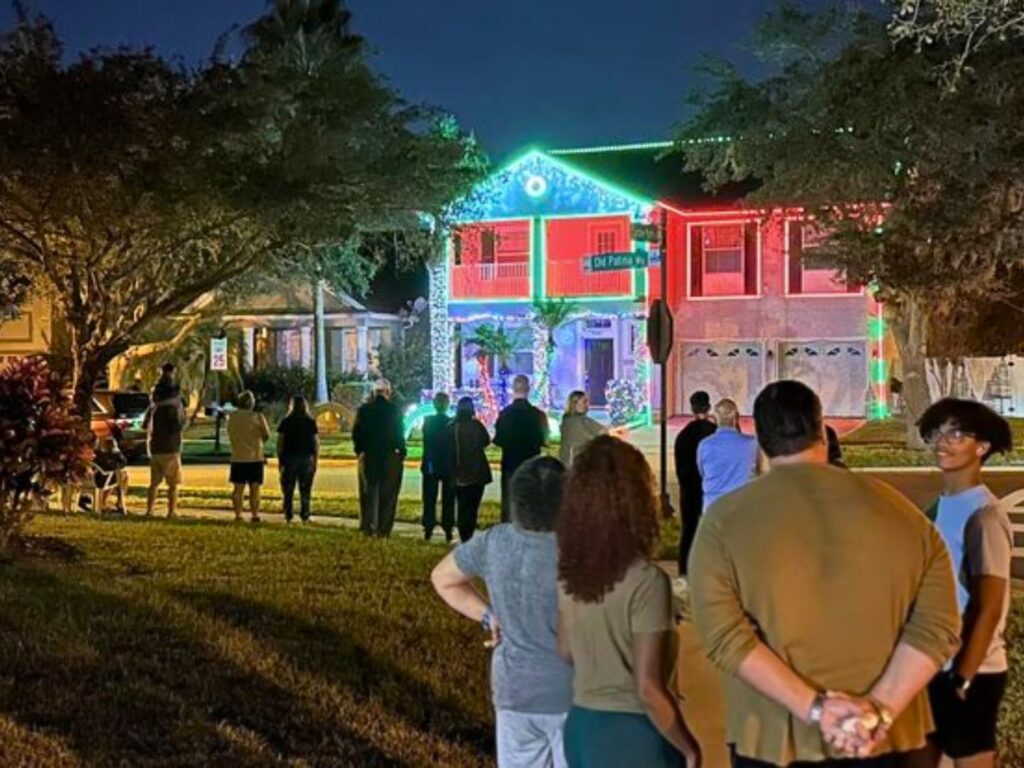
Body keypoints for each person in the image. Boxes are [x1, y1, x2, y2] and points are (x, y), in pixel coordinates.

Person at [689, 380, 961, 768]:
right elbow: (938, 627)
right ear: (822, 431)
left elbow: (725, 637)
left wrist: (819, 709)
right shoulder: (903, 514)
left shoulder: (721, 524)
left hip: (775, 739)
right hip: (893, 737)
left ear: (761, 442)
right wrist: (880, 710)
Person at [556, 435, 702, 768]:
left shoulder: (570, 573)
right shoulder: (646, 581)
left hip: (581, 725)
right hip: (633, 733)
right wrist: (689, 747)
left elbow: (565, 651)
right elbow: (648, 688)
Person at [432, 456, 572, 768]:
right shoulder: (581, 549)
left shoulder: (494, 542)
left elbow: (443, 579)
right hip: (573, 693)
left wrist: (488, 615)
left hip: (514, 692)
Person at [905, 399, 1013, 768]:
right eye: (937, 432)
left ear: (982, 447)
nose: (943, 441)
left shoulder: (984, 515)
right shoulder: (942, 504)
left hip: (971, 671)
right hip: (928, 662)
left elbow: (990, 606)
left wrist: (962, 678)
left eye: (956, 434)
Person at [352, 378, 406, 537]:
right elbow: (399, 432)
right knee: (388, 494)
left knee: (368, 492)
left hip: (369, 455)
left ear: (373, 393)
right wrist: (401, 451)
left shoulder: (364, 410)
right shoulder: (394, 410)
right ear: (388, 392)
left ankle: (368, 526)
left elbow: (356, 433)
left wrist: (360, 450)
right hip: (389, 455)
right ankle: (384, 529)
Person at [673, 390, 717, 576]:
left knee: (689, 531)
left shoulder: (683, 436)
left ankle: (684, 570)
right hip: (711, 488)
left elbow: (680, 466)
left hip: (690, 488)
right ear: (708, 407)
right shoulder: (714, 433)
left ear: (692, 407)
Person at [494, 375, 548, 522]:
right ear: (528, 389)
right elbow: (545, 440)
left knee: (509, 501)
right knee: (530, 499)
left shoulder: (505, 414)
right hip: (531, 463)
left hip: (510, 463)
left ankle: (508, 529)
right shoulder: (538, 415)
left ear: (512, 390)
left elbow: (498, 440)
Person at [696, 398, 758, 511]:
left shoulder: (705, 445)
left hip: (712, 508)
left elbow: (702, 473)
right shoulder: (751, 444)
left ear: (715, 419)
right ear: (736, 418)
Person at [448, 396, 493, 542]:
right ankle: (469, 533)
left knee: (462, 506)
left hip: (459, 472)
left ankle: (464, 534)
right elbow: (486, 441)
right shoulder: (477, 425)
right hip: (478, 473)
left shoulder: (452, 427)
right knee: (473, 507)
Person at [144, 375, 185, 518]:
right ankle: (171, 511)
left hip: (155, 448)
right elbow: (176, 427)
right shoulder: (171, 410)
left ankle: (149, 510)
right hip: (170, 448)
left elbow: (145, 425)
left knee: (154, 483)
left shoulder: (154, 408)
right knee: (173, 484)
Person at [227, 390, 270, 523]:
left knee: (238, 489)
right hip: (255, 458)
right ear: (251, 403)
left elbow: (230, 433)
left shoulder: (232, 417)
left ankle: (238, 515)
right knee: (255, 488)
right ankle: (255, 514)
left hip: (238, 457)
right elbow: (266, 435)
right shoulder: (258, 417)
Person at [276, 395, 319, 524]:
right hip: (306, 458)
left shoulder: (286, 421)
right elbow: (315, 442)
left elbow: (280, 442)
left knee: (288, 489)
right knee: (305, 488)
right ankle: (305, 514)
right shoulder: (310, 422)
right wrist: (315, 459)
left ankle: (288, 514)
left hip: (289, 458)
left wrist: (280, 459)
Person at [421, 392, 455, 542]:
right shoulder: (451, 423)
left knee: (429, 498)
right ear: (447, 405)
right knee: (448, 499)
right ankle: (448, 528)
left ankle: (428, 528)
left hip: (431, 463)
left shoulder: (428, 422)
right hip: (448, 464)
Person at [559, 390, 607, 467]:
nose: (588, 404)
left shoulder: (578, 419)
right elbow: (590, 438)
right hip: (575, 464)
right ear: (574, 403)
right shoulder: (573, 421)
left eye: (587, 401)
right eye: (584, 402)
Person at [93, 435, 129, 515]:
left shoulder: (110, 453)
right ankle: (111, 503)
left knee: (121, 475)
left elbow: (123, 462)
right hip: (99, 478)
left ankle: (116, 502)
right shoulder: (98, 454)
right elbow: (107, 466)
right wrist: (115, 463)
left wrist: (117, 453)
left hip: (106, 477)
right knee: (121, 476)